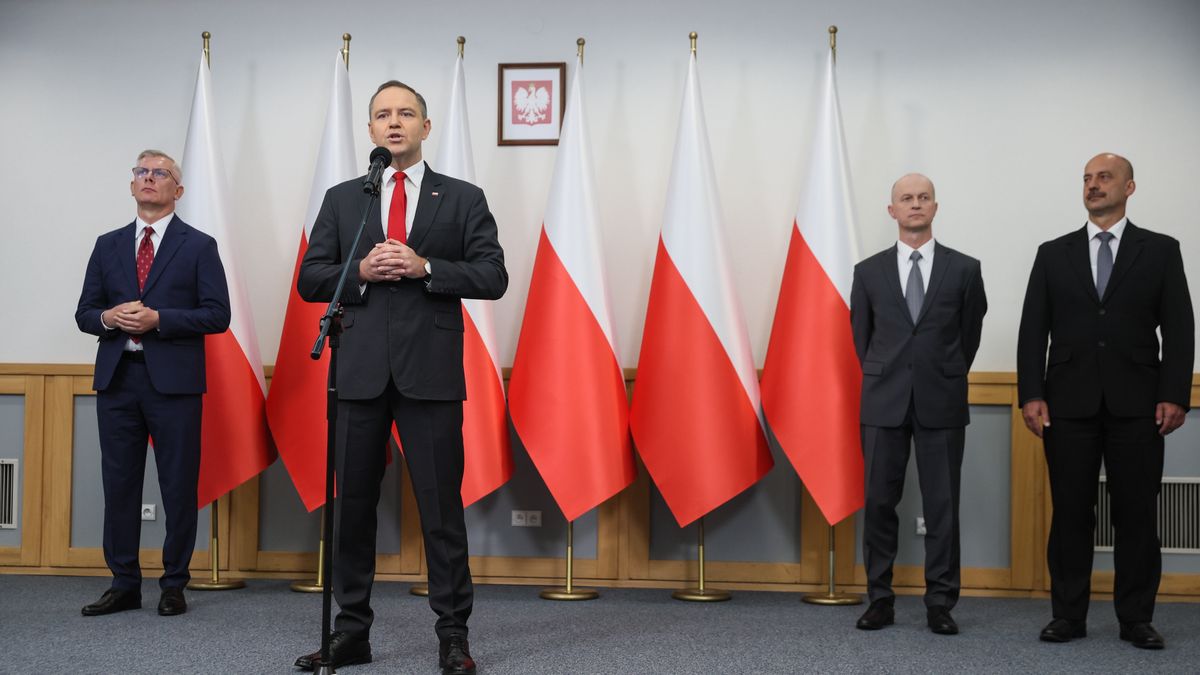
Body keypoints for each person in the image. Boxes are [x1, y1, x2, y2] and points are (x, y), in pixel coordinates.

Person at [294, 81, 507, 675]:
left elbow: (494, 275)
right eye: (383, 115)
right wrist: (359, 270)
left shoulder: (462, 197)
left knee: (441, 511)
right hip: (357, 373)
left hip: (431, 376)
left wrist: (426, 267)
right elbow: (312, 279)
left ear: (425, 126)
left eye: (406, 113)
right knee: (353, 509)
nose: (394, 123)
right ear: (370, 132)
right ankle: (351, 632)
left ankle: (453, 636)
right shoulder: (345, 199)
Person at [1017, 153, 1193, 649]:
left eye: (1105, 178)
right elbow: (1034, 329)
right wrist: (1031, 392)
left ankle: (1136, 618)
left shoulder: (1160, 250)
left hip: (1139, 405)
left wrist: (1174, 394)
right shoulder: (1053, 253)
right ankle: (1067, 616)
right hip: (1066, 404)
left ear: (1129, 187)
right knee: (1071, 513)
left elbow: (1180, 328)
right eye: (1088, 179)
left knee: (1137, 515)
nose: (1094, 186)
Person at [74, 150, 231, 618]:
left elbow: (217, 315)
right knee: (119, 484)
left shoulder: (199, 245)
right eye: (141, 172)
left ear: (177, 190)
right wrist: (108, 316)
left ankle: (174, 583)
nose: (148, 178)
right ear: (132, 185)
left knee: (177, 485)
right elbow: (84, 312)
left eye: (160, 173)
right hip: (119, 379)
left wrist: (160, 319)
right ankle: (123, 583)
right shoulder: (107, 245)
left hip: (175, 384)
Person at [850, 173, 987, 635]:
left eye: (923, 197)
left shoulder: (965, 269)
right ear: (892, 211)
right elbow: (862, 339)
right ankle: (880, 599)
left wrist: (939, 370)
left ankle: (940, 604)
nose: (915, 204)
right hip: (883, 400)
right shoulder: (867, 272)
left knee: (943, 504)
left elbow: (968, 338)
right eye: (906, 199)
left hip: (941, 398)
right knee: (879, 501)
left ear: (935, 207)